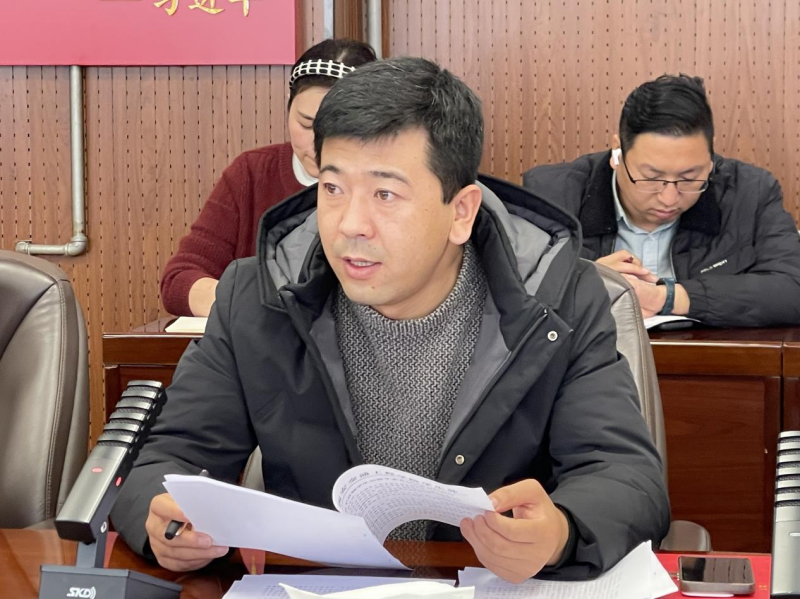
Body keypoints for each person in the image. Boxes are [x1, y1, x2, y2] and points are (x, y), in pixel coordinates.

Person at [112, 57, 670, 583]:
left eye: (385, 193)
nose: (350, 224)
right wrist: (162, 523)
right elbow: (166, 460)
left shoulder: (557, 300)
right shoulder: (258, 297)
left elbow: (626, 478)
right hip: (319, 588)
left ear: (461, 212)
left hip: (485, 586)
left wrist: (561, 532)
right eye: (332, 188)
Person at [523, 74, 800, 327]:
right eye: (651, 178)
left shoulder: (749, 193)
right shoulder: (551, 195)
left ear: (710, 160)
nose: (669, 198)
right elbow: (512, 294)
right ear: (617, 153)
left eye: (689, 178)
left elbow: (792, 289)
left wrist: (667, 297)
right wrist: (583, 282)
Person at [160, 38, 377, 317]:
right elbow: (180, 279)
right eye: (306, 124)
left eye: (337, 128)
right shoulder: (252, 173)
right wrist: (256, 312)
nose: (317, 144)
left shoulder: (386, 187)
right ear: (288, 105)